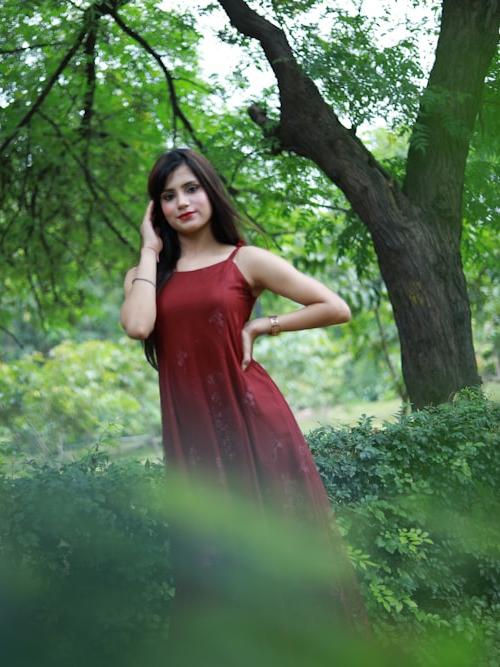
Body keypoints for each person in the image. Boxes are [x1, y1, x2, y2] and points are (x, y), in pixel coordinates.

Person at [120, 148, 370, 647]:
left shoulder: (245, 260)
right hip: (193, 438)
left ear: (210, 191)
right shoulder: (146, 276)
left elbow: (334, 306)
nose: (182, 202)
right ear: (156, 211)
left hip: (256, 423)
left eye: (191, 189)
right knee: (212, 559)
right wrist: (149, 252)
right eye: (168, 196)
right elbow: (138, 325)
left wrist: (262, 324)